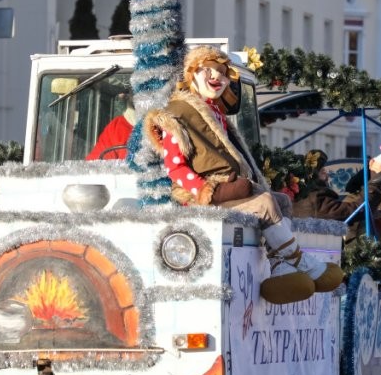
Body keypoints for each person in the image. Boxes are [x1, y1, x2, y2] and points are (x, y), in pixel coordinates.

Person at [145, 46, 343, 304]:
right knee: (264, 203)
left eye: (222, 73)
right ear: (192, 73)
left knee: (281, 201)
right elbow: (175, 167)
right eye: (209, 70)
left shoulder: (214, 111)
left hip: (231, 187)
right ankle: (301, 261)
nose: (217, 77)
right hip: (205, 193)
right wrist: (203, 189)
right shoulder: (177, 114)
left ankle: (280, 267)